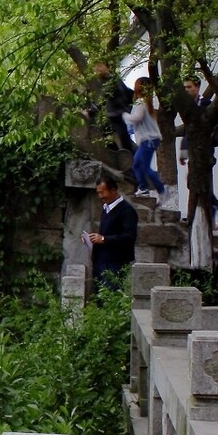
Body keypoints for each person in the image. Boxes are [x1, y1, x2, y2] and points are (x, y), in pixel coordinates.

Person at [87, 174, 138, 294]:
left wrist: (104, 239)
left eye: (103, 192)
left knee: (111, 296)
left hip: (115, 263)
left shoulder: (127, 211)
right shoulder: (106, 208)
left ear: (113, 190)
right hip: (101, 261)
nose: (100, 196)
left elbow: (129, 237)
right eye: (98, 193)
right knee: (100, 297)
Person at [122, 77, 166, 205]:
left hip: (149, 140)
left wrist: (124, 116)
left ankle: (161, 190)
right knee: (136, 164)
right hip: (148, 140)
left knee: (144, 166)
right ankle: (143, 187)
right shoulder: (145, 103)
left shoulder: (141, 102)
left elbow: (136, 118)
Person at [94, 61, 135, 153]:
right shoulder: (114, 78)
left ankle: (132, 157)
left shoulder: (108, 81)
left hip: (117, 113)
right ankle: (131, 155)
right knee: (126, 137)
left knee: (124, 138)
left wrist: (94, 109)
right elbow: (127, 92)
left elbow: (105, 98)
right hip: (123, 111)